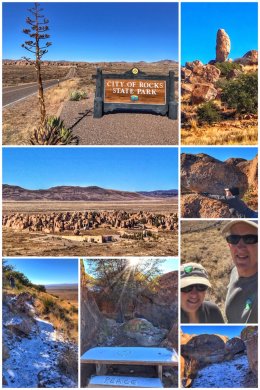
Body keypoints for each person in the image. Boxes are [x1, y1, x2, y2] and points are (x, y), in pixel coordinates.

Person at [222, 220, 258, 323]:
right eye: (234, 239)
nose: (240, 246)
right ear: (229, 245)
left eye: (249, 239)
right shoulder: (234, 272)